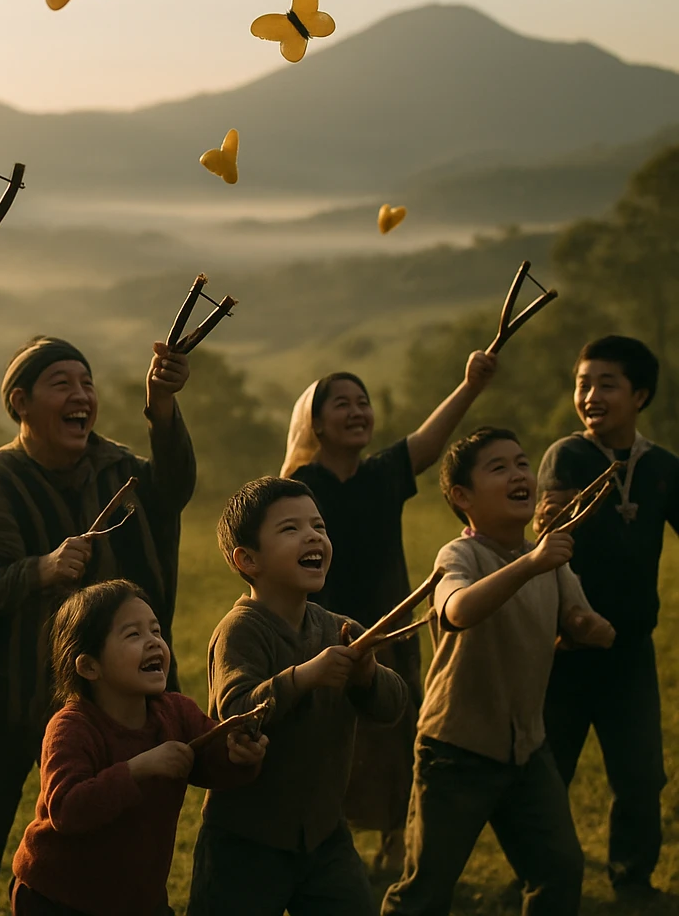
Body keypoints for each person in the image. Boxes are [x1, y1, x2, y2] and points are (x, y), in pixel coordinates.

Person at [0, 334, 197, 916]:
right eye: (62, 385)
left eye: (87, 383)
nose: (81, 396)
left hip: (95, 692)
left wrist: (163, 403)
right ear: (20, 402)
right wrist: (41, 569)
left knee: (100, 831)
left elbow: (174, 487)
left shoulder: (119, 472)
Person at [382, 427, 615, 916]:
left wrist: (588, 626)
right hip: (455, 753)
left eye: (522, 463)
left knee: (559, 872)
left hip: (528, 749)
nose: (519, 474)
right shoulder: (459, 555)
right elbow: (457, 610)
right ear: (462, 496)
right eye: (499, 467)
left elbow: (585, 625)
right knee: (425, 892)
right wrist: (531, 563)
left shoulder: (549, 557)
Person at [280, 349, 497, 870]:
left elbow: (427, 443)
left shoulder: (381, 475)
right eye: (343, 404)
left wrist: (469, 385)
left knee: (396, 733)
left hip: (391, 631)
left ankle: (395, 838)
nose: (357, 411)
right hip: (322, 632)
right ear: (316, 422)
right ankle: (330, 837)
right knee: (331, 738)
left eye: (364, 401)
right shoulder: (300, 487)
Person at [187, 477, 407, 916]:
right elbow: (238, 711)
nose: (313, 536)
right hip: (246, 842)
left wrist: (366, 674)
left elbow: (392, 706)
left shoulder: (337, 627)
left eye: (319, 527)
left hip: (325, 836)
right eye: (290, 529)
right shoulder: (241, 629)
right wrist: (306, 676)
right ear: (247, 559)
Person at [10, 579, 265, 916]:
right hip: (59, 899)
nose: (153, 643)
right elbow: (67, 810)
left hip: (138, 899)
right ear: (89, 666)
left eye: (156, 631)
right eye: (133, 635)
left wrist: (239, 754)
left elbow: (212, 761)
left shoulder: (175, 712)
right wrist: (138, 768)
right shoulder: (72, 727)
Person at [535, 335, 679, 899]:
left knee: (642, 776)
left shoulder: (664, 467)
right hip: (565, 647)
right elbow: (553, 531)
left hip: (632, 650)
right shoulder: (567, 456)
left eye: (606, 384)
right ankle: (548, 878)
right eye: (582, 384)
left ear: (640, 394)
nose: (590, 395)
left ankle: (633, 880)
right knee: (549, 773)